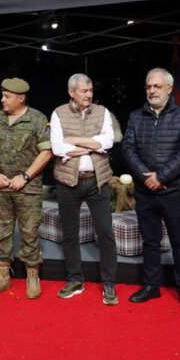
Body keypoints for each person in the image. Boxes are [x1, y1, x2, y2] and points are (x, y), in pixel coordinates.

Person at [121, 68, 180, 314]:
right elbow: (128, 148)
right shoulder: (136, 116)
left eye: (157, 86)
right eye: (148, 86)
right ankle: (151, 286)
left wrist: (162, 176)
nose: (152, 91)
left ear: (169, 88)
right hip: (145, 191)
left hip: (174, 191)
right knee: (150, 242)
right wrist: (146, 176)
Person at [0, 78, 52, 299]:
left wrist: (25, 176)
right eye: (2, 95)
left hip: (28, 188)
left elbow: (47, 152)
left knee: (30, 231)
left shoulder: (37, 119)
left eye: (7, 96)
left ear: (21, 98)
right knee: (1, 231)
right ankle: (3, 275)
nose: (2, 100)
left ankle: (32, 275)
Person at [50, 73, 118, 305]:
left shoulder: (102, 112)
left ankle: (109, 282)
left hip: (97, 180)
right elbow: (58, 148)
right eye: (84, 91)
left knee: (105, 232)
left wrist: (74, 140)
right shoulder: (58, 113)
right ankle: (75, 279)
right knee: (69, 233)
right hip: (68, 182)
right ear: (71, 92)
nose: (89, 95)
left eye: (90, 90)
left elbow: (108, 142)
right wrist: (92, 145)